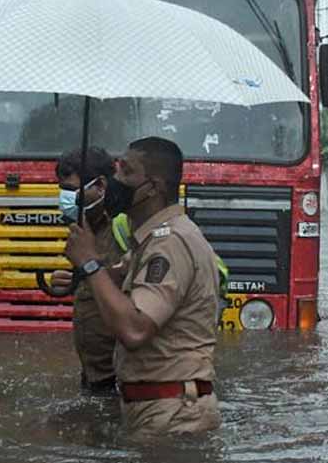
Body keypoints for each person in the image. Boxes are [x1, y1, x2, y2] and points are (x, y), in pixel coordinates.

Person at [64, 136, 221, 435]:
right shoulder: (150, 240)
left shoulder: (169, 243)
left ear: (153, 187)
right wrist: (84, 273)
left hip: (173, 414)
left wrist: (90, 263)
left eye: (126, 171)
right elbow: (120, 281)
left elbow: (135, 330)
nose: (115, 180)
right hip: (159, 408)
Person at [49, 147, 123, 395]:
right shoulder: (84, 229)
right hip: (93, 373)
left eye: (71, 190)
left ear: (100, 186)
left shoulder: (123, 228)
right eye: (62, 190)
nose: (64, 198)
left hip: (120, 377)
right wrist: (72, 281)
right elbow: (96, 285)